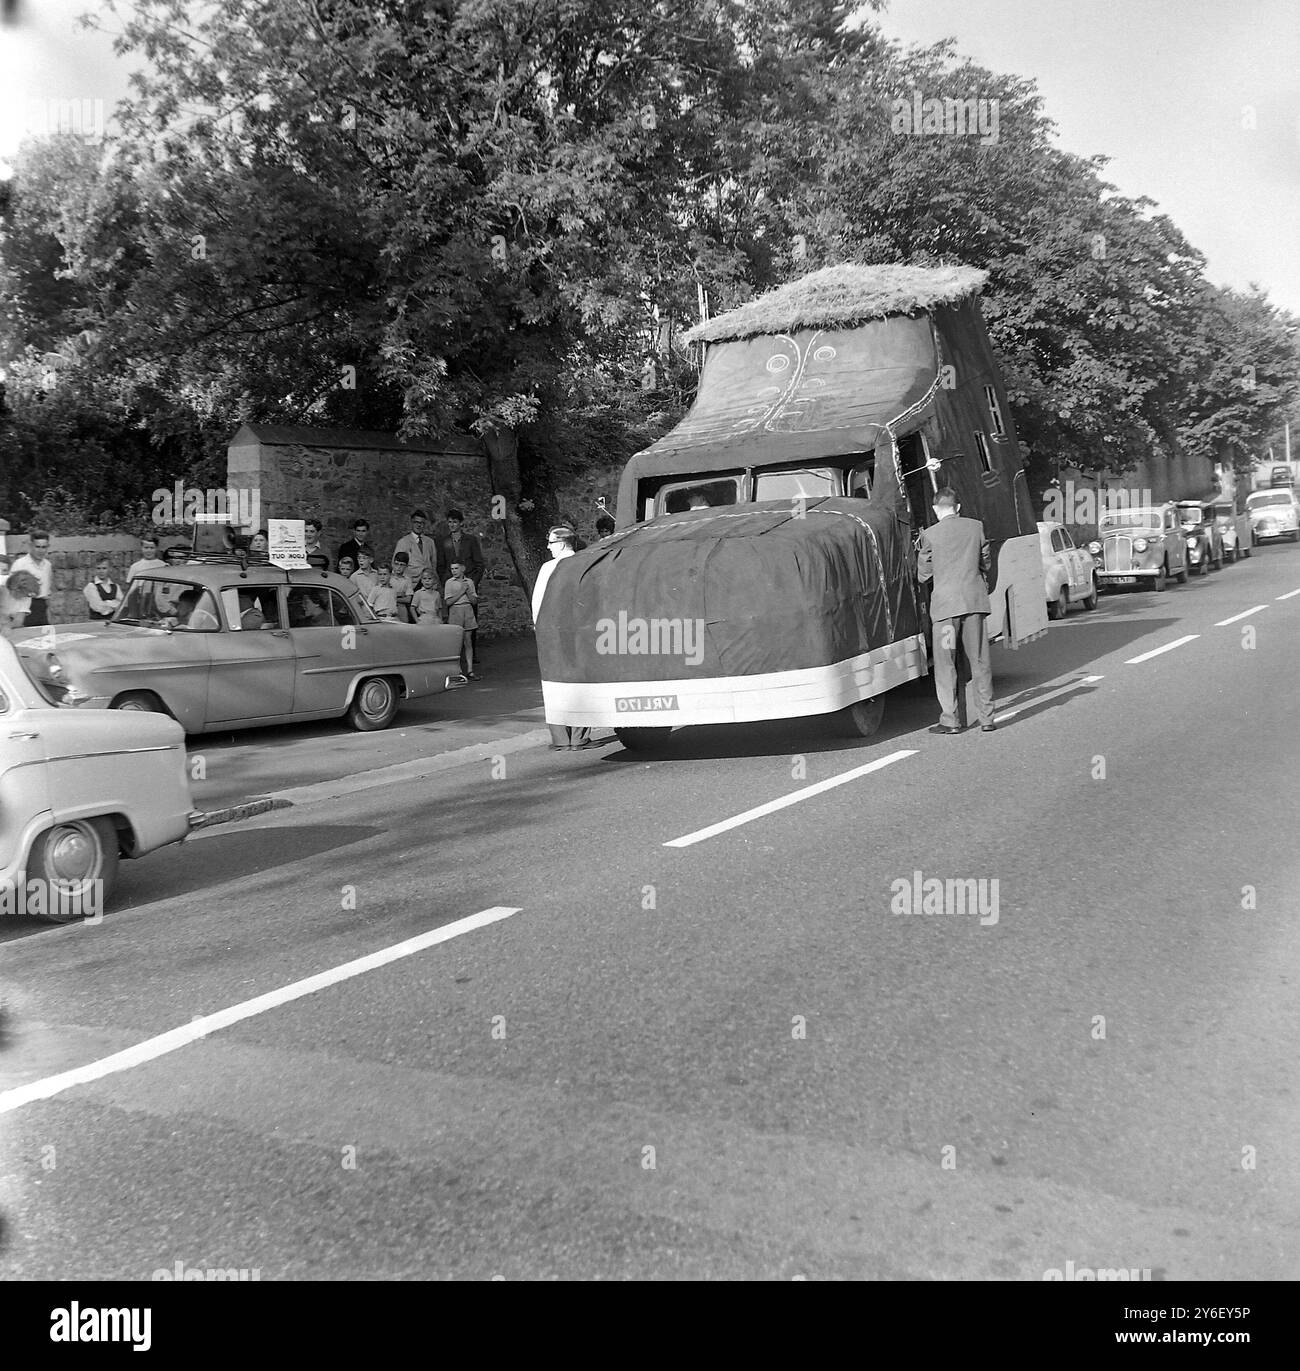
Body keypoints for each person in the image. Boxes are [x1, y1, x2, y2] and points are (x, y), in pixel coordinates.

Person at [916, 488, 996, 734]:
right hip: (973, 605)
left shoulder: (930, 535)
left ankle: (951, 721)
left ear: (935, 509)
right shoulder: (976, 527)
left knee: (946, 664)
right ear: (957, 507)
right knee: (980, 661)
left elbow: (923, 575)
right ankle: (987, 719)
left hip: (946, 611)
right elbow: (986, 563)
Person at [531, 526, 595, 750]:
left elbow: (537, 601)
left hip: (550, 630)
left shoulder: (547, 568)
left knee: (553, 682)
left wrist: (538, 626)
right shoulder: (582, 563)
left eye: (550, 542)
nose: (548, 547)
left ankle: (560, 739)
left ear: (561, 543)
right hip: (577, 630)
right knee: (579, 680)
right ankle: (579, 737)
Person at [436, 508, 487, 662]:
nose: (452, 525)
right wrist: (447, 582)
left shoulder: (470, 540)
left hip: (468, 584)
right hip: (452, 586)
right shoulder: (443, 541)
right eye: (450, 522)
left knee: (471, 620)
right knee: (454, 620)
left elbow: (479, 564)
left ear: (461, 523)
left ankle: (472, 653)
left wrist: (472, 584)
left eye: (455, 522)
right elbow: (441, 565)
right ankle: (456, 653)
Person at [9, 531, 53, 627]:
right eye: (37, 547)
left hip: (41, 607)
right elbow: (11, 590)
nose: (40, 551)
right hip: (24, 608)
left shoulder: (48, 565)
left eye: (44, 547)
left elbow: (47, 592)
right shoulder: (20, 564)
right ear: (31, 546)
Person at [443, 560, 478, 678]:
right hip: (455, 611)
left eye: (456, 568)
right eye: (452, 569)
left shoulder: (469, 582)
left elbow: (474, 601)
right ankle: (456, 670)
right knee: (456, 642)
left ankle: (470, 669)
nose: (454, 571)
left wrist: (467, 590)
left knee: (468, 641)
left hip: (467, 610)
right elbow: (448, 602)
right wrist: (461, 591)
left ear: (462, 569)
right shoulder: (449, 583)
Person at [394, 509, 435, 582]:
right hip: (411, 583)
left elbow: (433, 563)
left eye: (422, 523)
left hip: (427, 583)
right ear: (411, 523)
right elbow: (396, 565)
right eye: (416, 522)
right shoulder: (403, 542)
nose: (419, 525)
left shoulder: (430, 542)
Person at [0, 568, 39, 638]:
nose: (26, 597)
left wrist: (8, 626)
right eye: (25, 594)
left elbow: (19, 620)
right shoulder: (1, 585)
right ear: (16, 589)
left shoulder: (27, 595)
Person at [390, 551, 415, 622]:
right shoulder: (388, 576)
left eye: (402, 565)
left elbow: (408, 599)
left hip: (402, 610)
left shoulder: (407, 580)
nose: (398, 567)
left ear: (406, 566)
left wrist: (392, 597)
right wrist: (399, 594)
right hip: (388, 609)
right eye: (396, 564)